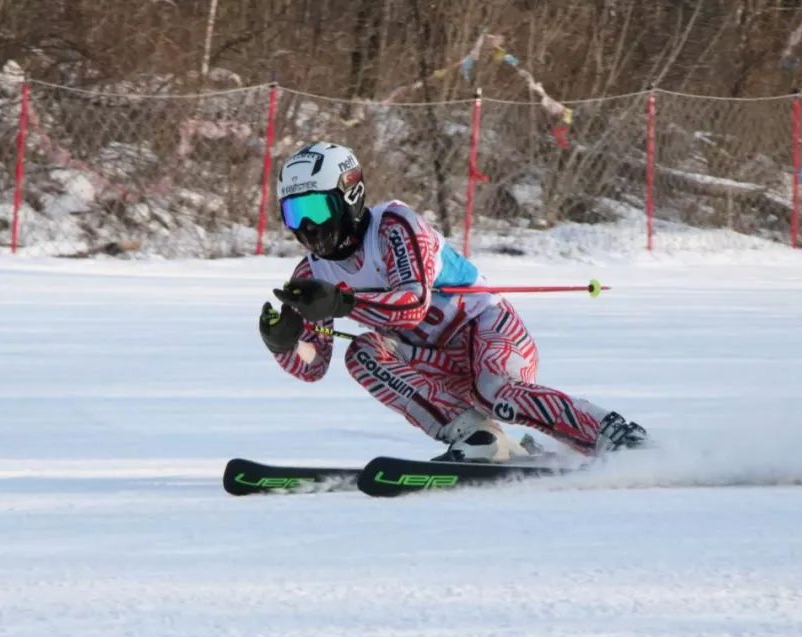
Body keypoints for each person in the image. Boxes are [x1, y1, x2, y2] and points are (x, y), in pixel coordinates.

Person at [258, 141, 646, 461]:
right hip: (430, 358)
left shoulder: (395, 226)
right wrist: (286, 343)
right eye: (293, 213)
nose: (306, 227)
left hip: (485, 327)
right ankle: (479, 437)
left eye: (315, 209)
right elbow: (313, 365)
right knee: (362, 353)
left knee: (494, 390)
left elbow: (413, 305)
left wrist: (341, 304)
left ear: (349, 195)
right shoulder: (311, 274)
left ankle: (612, 434)